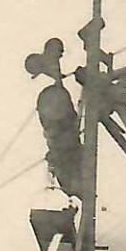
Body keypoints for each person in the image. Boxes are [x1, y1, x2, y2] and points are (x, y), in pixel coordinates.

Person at [25, 37, 85, 200]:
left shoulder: (52, 88)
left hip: (64, 144)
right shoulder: (49, 91)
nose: (59, 57)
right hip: (63, 144)